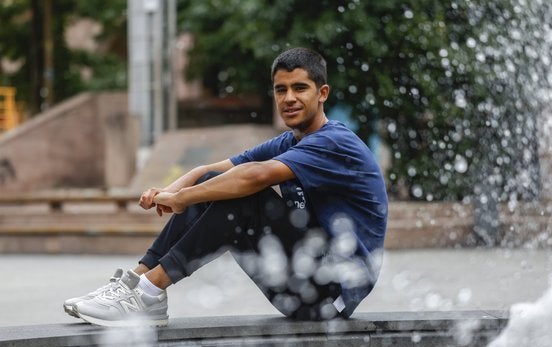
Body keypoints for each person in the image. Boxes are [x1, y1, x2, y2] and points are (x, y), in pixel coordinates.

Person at [63, 47, 388, 327]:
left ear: (322, 93)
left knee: (242, 197)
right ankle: (135, 283)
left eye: (300, 88)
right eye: (280, 89)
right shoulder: (290, 141)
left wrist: (182, 198)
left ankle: (150, 292)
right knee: (214, 184)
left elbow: (254, 177)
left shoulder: (335, 142)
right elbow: (211, 170)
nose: (289, 98)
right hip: (301, 283)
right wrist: (171, 190)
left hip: (333, 296)